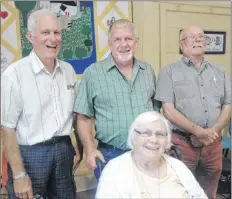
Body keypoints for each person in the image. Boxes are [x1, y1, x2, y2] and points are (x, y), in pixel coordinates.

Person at [1, 9, 80, 199]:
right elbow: (7, 128)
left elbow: (74, 115)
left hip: (63, 149)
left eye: (57, 32)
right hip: (30, 155)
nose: (53, 39)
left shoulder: (68, 70)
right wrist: (19, 175)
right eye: (45, 32)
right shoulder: (14, 75)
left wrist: (76, 147)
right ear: (30, 36)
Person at [73, 19, 160, 180]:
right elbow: (83, 117)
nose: (123, 44)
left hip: (148, 152)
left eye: (128, 39)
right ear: (110, 44)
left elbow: (155, 113)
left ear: (136, 42)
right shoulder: (93, 73)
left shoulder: (148, 71)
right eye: (117, 39)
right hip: (111, 155)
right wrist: (90, 149)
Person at [155, 25, 231, 199]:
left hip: (213, 145)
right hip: (183, 145)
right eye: (192, 37)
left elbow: (228, 105)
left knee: (209, 191)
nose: (197, 39)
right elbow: (168, 110)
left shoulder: (219, 72)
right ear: (182, 45)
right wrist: (198, 132)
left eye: (201, 37)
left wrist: (211, 132)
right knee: (179, 190)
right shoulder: (169, 71)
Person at [96, 111, 208, 198]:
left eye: (160, 134)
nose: (153, 140)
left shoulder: (177, 166)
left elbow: (200, 196)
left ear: (167, 141)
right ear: (133, 136)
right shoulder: (115, 169)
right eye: (145, 133)